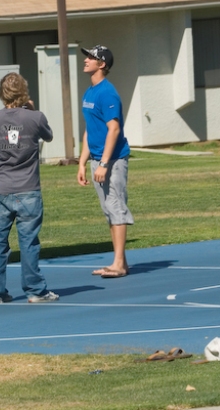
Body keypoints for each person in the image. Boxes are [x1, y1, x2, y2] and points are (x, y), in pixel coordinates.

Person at [0, 73, 59, 304]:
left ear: (2, 93)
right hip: (28, 188)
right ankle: (35, 290)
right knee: (29, 242)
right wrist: (32, 111)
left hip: (2, 188)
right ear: (24, 92)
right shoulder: (35, 117)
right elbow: (49, 136)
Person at [76, 44, 133, 278]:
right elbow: (90, 130)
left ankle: (118, 264)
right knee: (109, 209)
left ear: (102, 64)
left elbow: (114, 129)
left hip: (113, 160)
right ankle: (120, 262)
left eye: (91, 57)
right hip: (97, 159)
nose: (86, 60)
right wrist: (82, 162)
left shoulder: (107, 93)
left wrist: (104, 163)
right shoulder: (89, 92)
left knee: (116, 207)